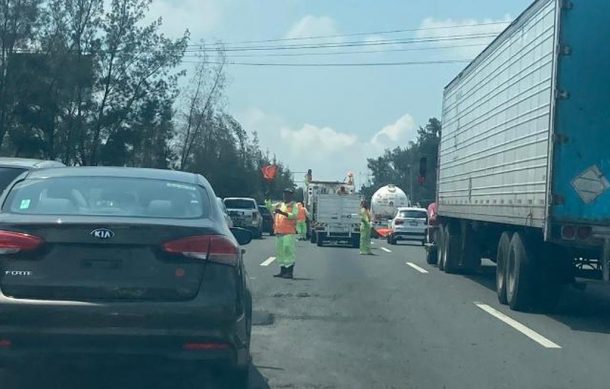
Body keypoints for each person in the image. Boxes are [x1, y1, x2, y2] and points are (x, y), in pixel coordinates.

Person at [271, 188, 299, 279]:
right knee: (280, 253)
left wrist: (283, 213)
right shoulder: (280, 204)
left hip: (289, 233)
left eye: (288, 194)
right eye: (285, 194)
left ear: (291, 195)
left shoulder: (294, 206)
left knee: (288, 252)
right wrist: (267, 199)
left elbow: (294, 215)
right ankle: (282, 271)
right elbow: (269, 207)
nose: (286, 196)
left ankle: (289, 272)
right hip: (279, 232)